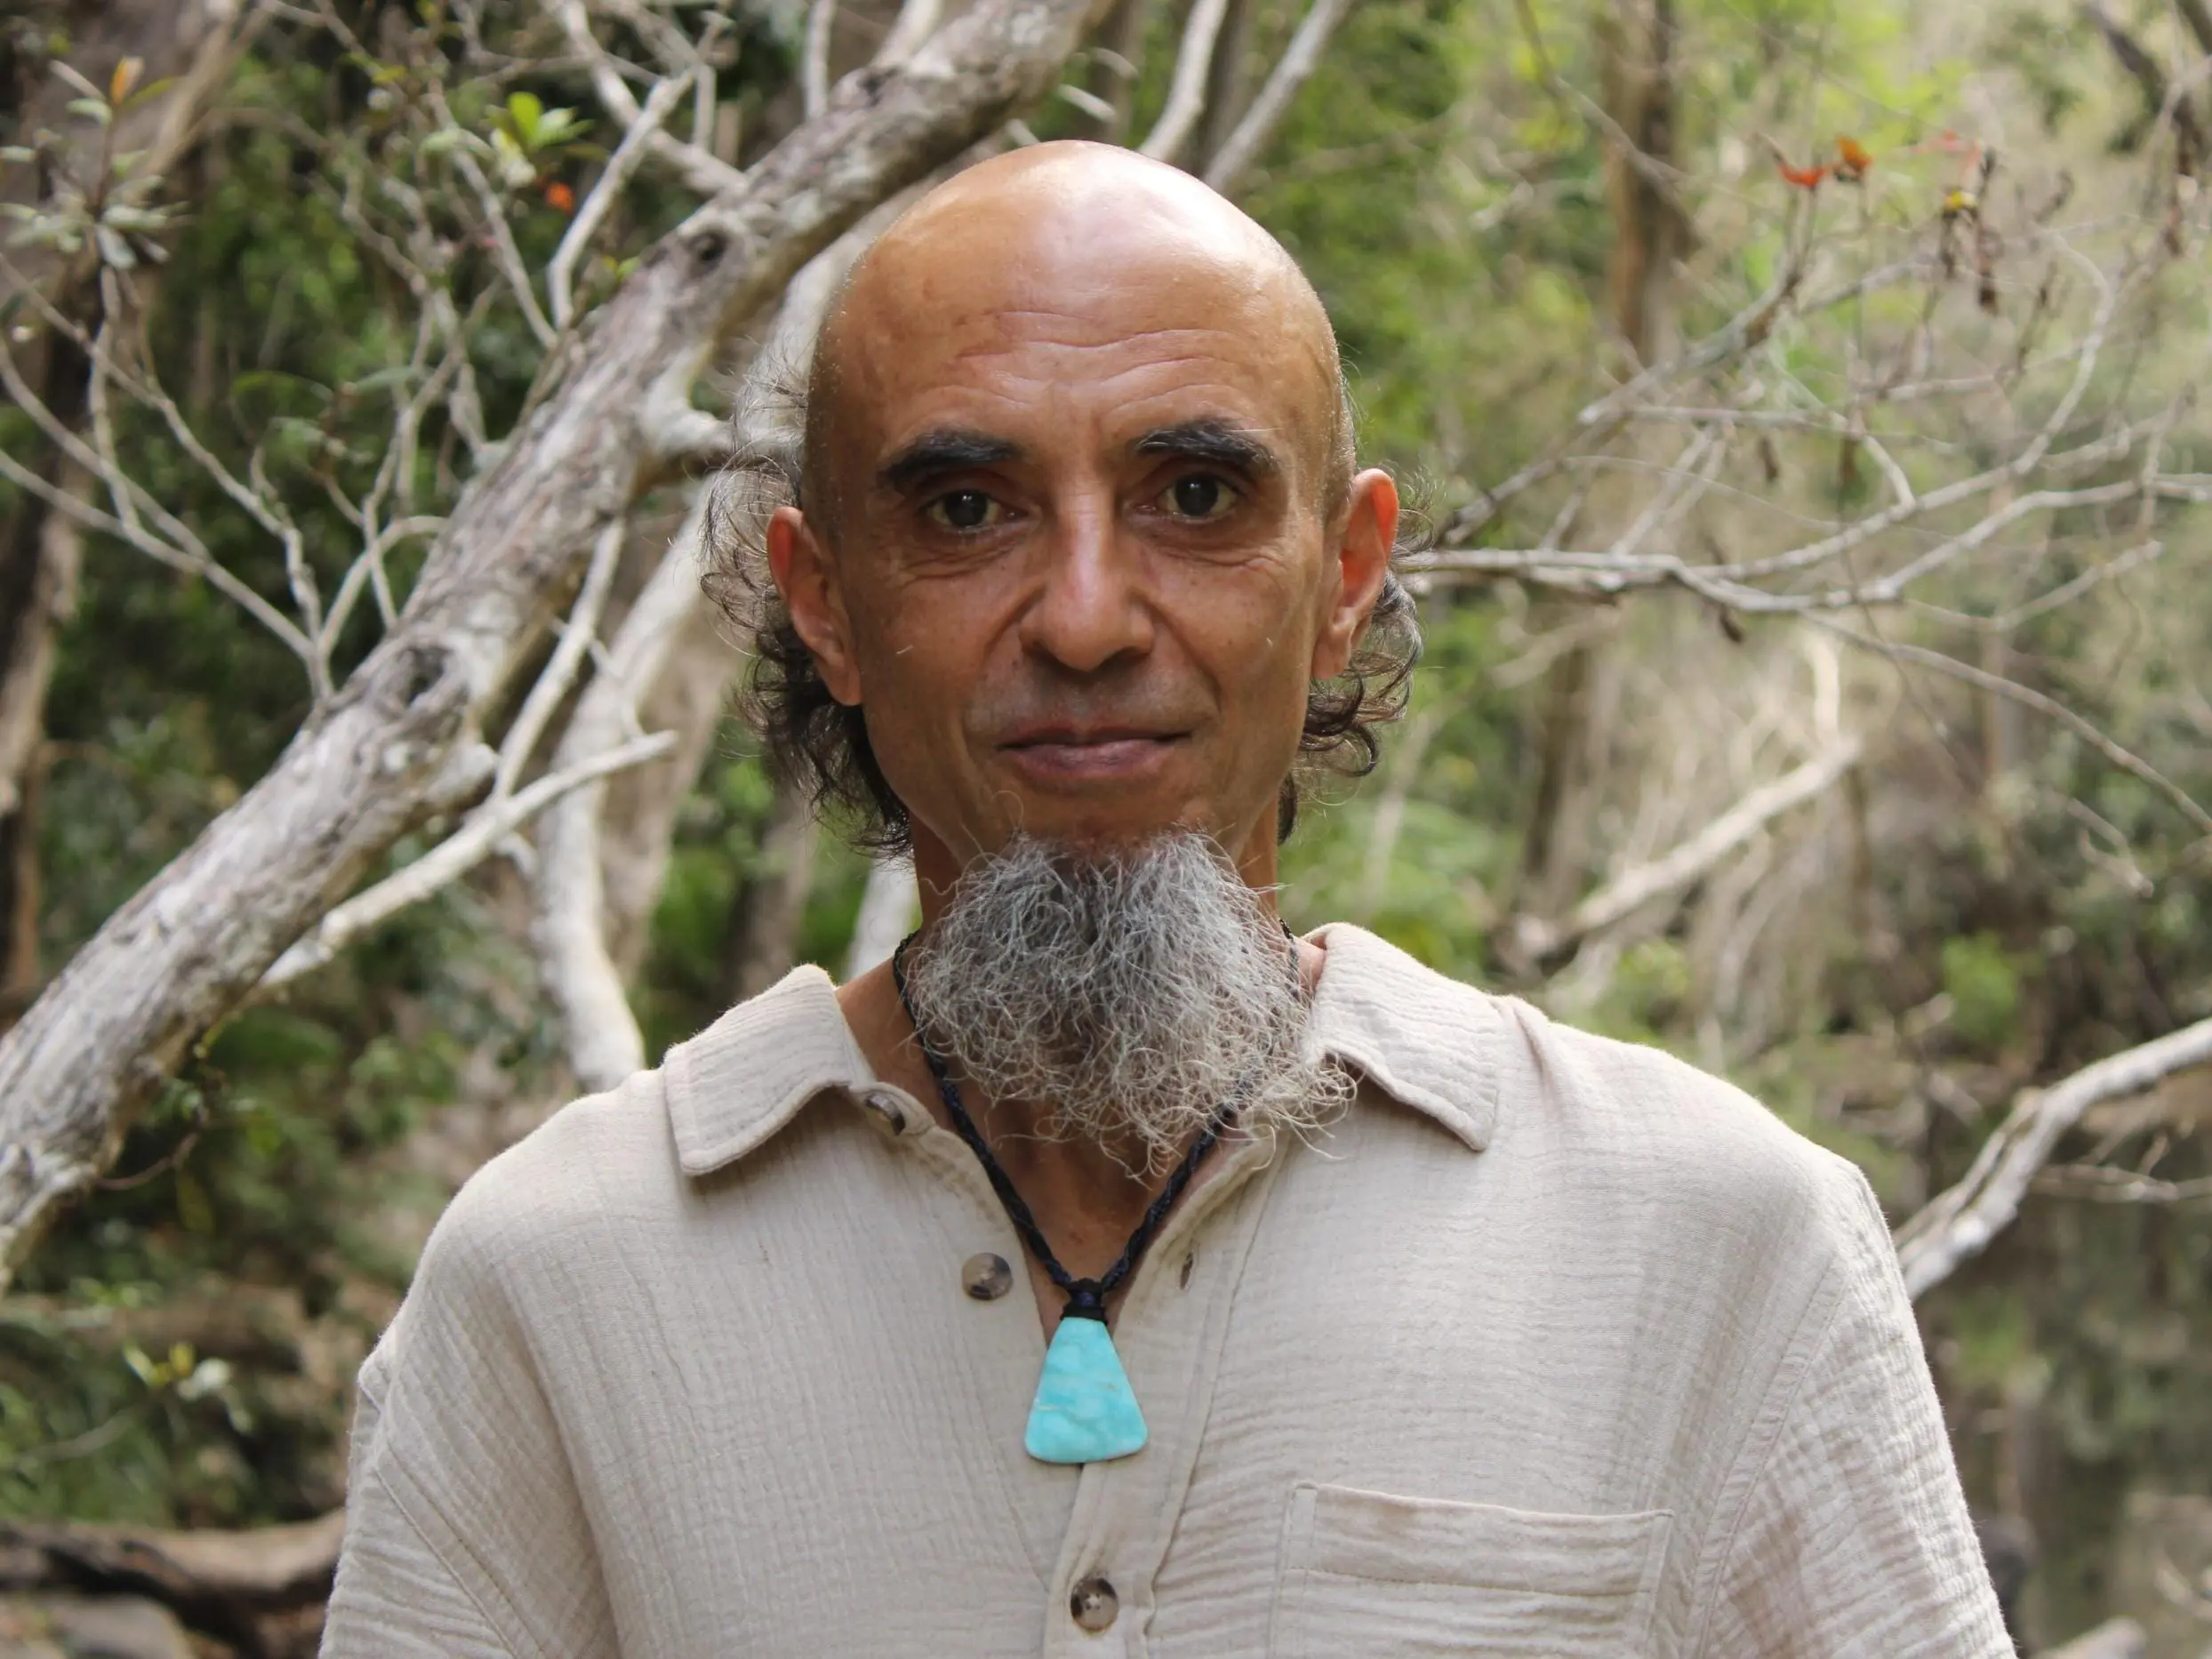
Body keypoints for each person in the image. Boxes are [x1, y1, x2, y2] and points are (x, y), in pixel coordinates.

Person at [321, 141, 2010, 1657]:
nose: (1083, 615)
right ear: (823, 603)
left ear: (1343, 578)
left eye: (1194, 497)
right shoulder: (559, 1287)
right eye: (967, 508)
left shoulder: (1713, 1244)